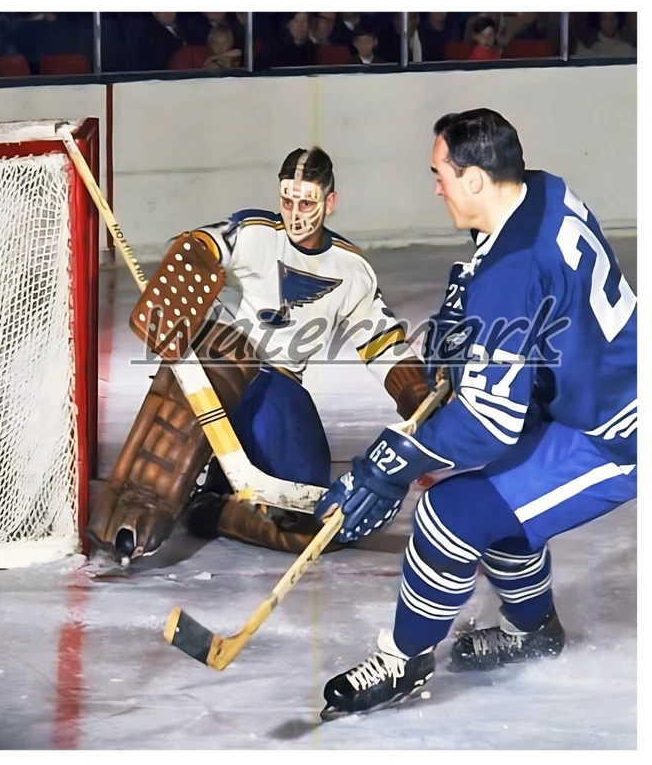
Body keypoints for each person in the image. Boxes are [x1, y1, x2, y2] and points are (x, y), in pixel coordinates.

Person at [313, 109, 637, 719]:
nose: (435, 186)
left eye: (440, 174)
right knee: (493, 499)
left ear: (475, 180)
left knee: (449, 514)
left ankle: (403, 660)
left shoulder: (507, 273)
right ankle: (531, 631)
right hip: (589, 389)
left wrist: (392, 463)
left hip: (614, 433)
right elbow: (537, 302)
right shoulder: (544, 189)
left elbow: (491, 424)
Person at [87, 147, 431, 563]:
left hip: (279, 392)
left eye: (307, 202)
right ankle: (137, 506)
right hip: (228, 371)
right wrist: (191, 259)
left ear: (331, 202)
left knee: (317, 527)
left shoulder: (351, 270)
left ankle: (213, 510)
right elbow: (207, 242)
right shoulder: (255, 232)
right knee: (220, 348)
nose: (295, 213)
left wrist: (416, 393)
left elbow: (383, 344)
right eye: (288, 200)